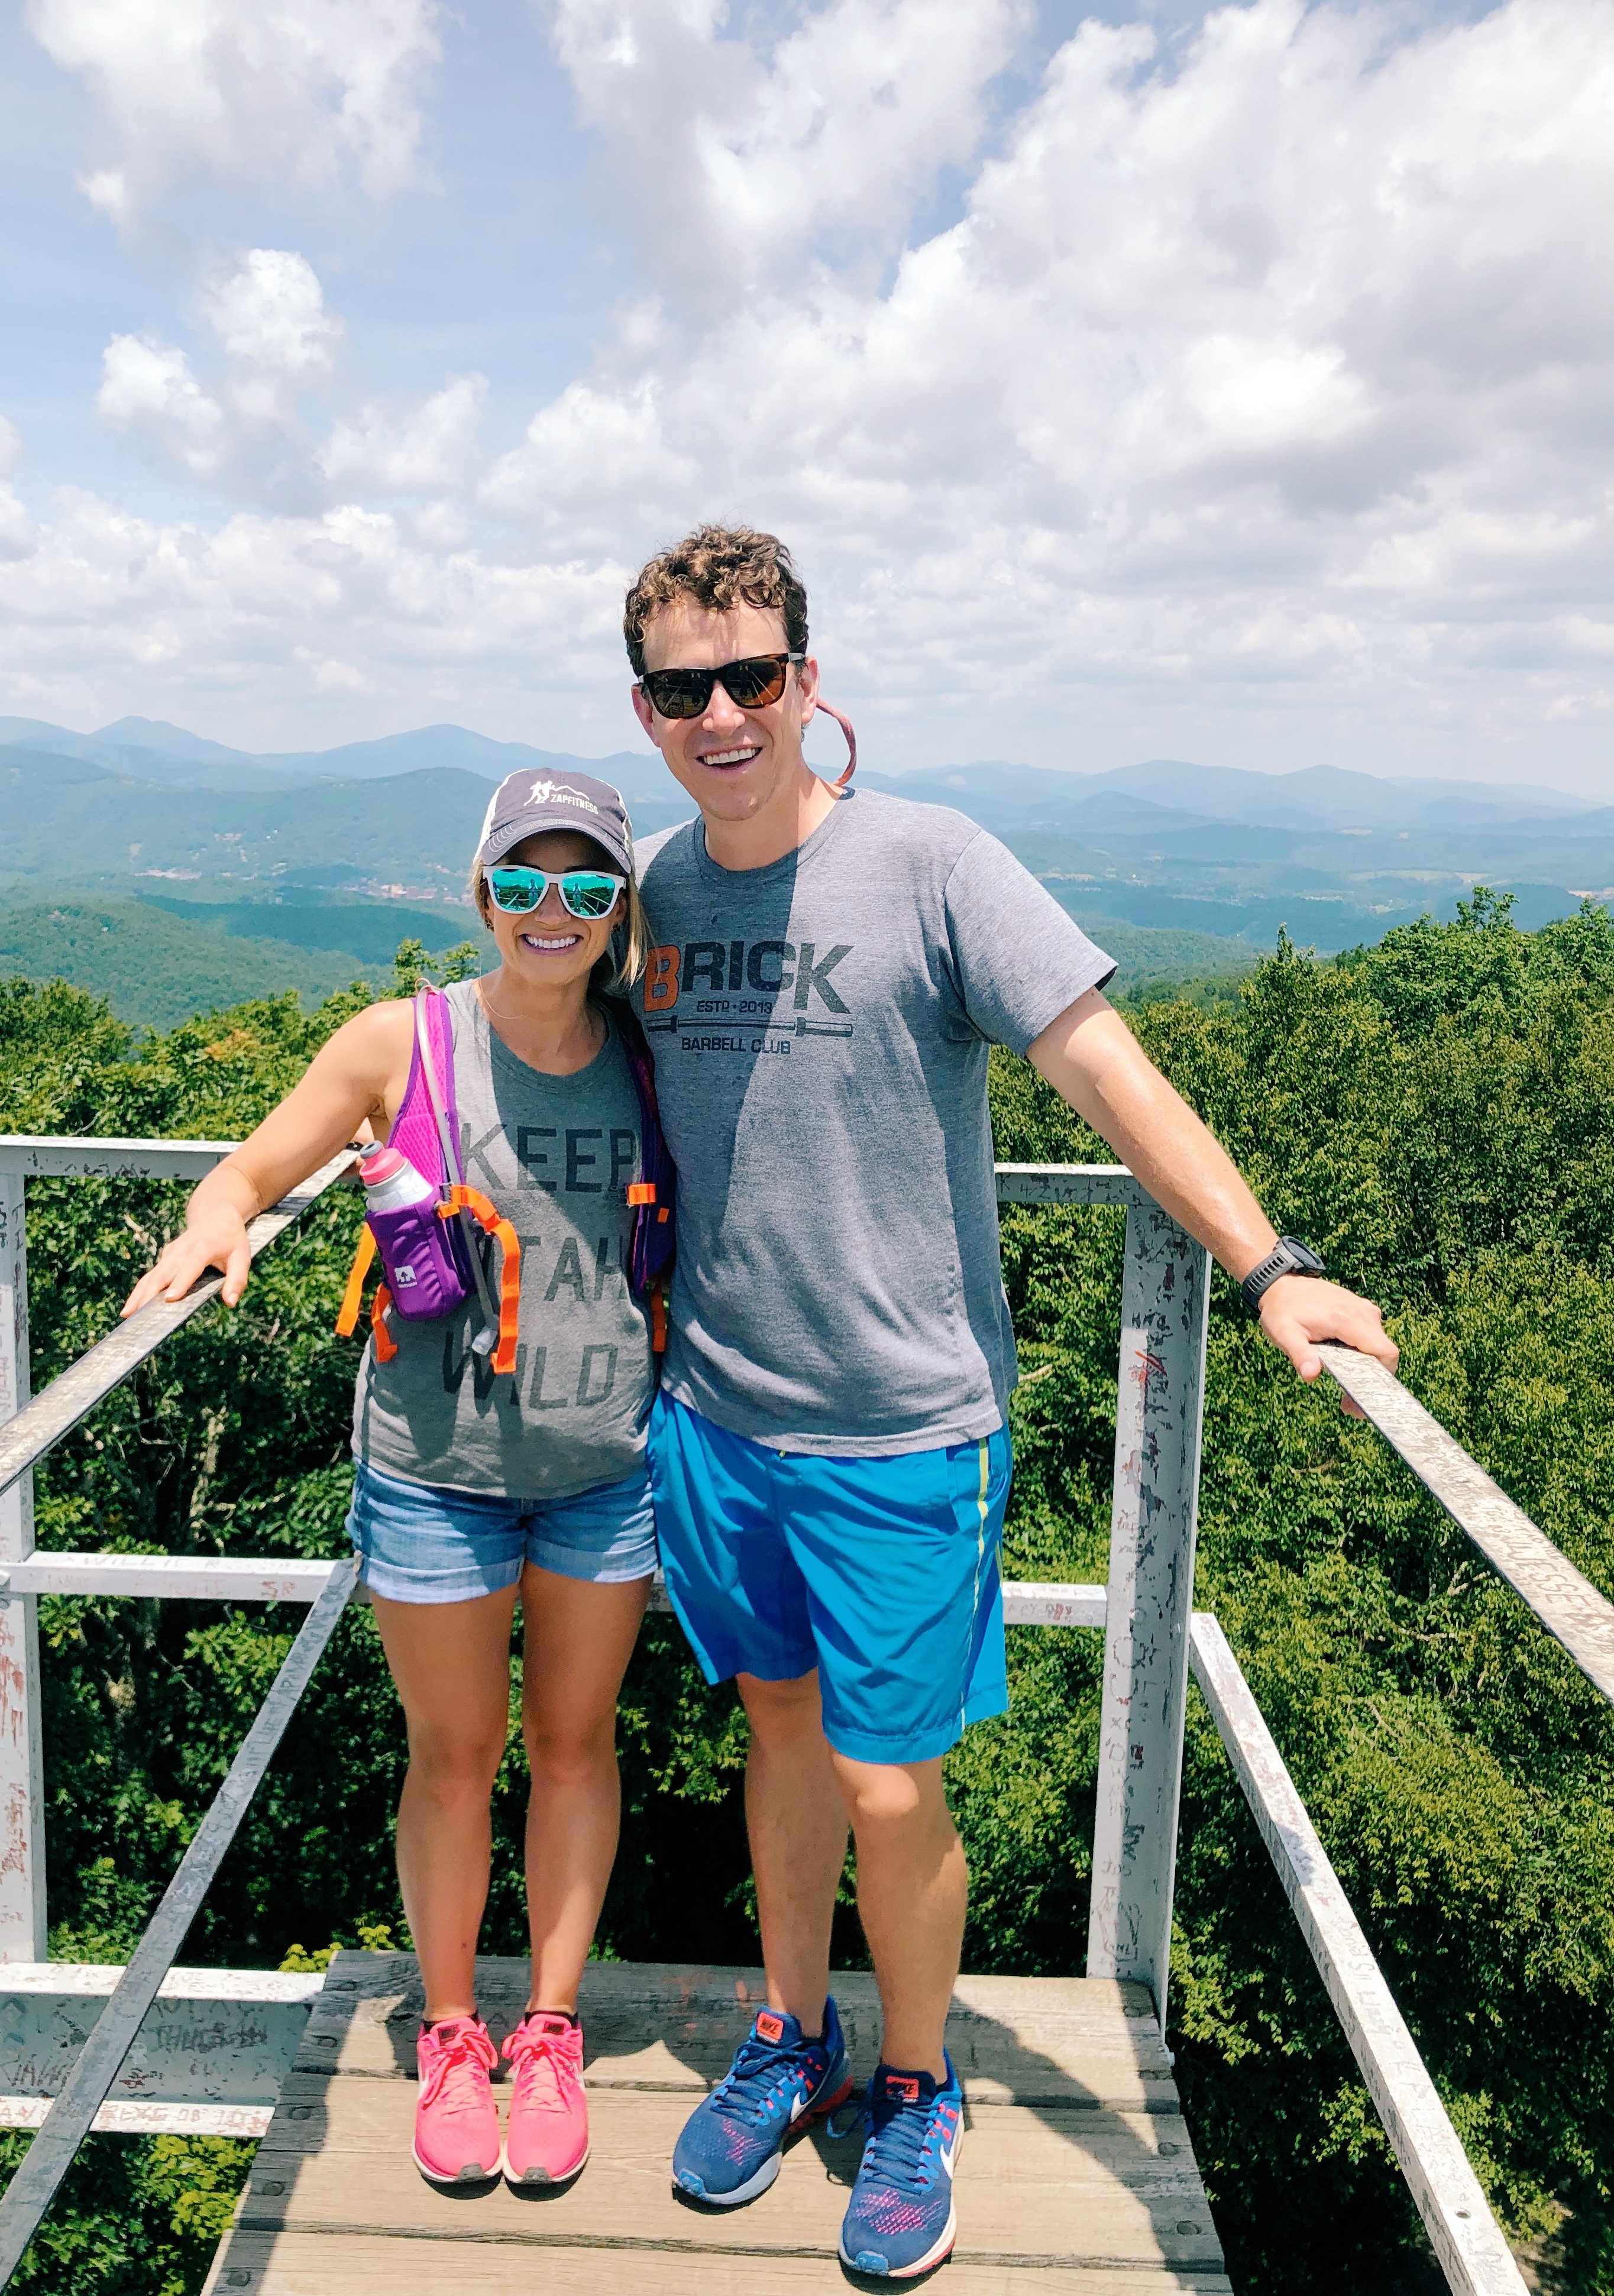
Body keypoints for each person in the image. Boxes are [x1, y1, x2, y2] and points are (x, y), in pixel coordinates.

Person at [623, 525, 1399, 2280]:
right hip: (721, 1419)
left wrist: (1270, 1269)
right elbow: (537, 1049)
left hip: (904, 1426)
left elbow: (1103, 1066)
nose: (724, 711)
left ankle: (916, 2082)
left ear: (809, 681)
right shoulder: (654, 895)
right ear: (647, 708)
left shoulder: (935, 863)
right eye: (687, 686)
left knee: (892, 1784)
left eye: (753, 674)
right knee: (782, 1739)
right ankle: (789, 2032)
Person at [123, 773, 661, 2194]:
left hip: (608, 1464)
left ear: (619, 909)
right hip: (436, 1471)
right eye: (528, 883)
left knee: (575, 1746)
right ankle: (447, 2029)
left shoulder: (653, 1050)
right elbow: (247, 1170)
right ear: (483, 892)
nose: (556, 913)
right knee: (453, 1752)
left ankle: (547, 2027)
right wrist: (217, 1232)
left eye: (589, 887)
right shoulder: (398, 1042)